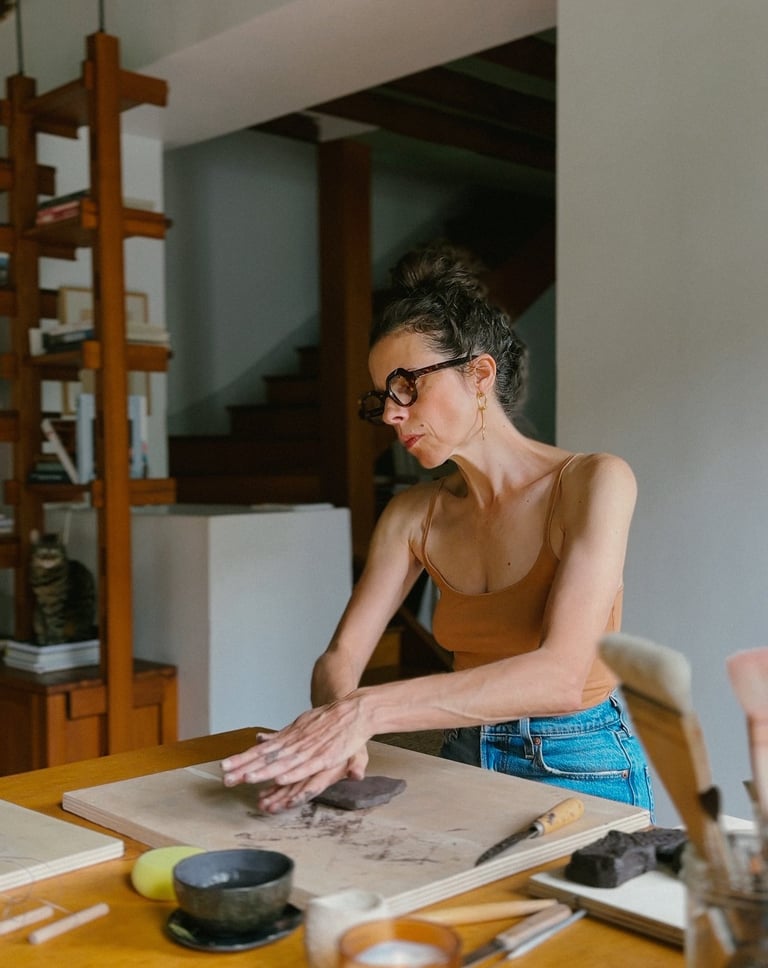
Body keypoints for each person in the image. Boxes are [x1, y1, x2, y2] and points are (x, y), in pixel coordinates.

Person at [221, 241, 654, 818]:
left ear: (479, 374)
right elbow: (338, 660)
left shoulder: (595, 482)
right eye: (383, 399)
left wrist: (368, 712)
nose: (393, 414)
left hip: (581, 760)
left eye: (406, 385)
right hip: (462, 754)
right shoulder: (411, 515)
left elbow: (561, 676)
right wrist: (337, 726)